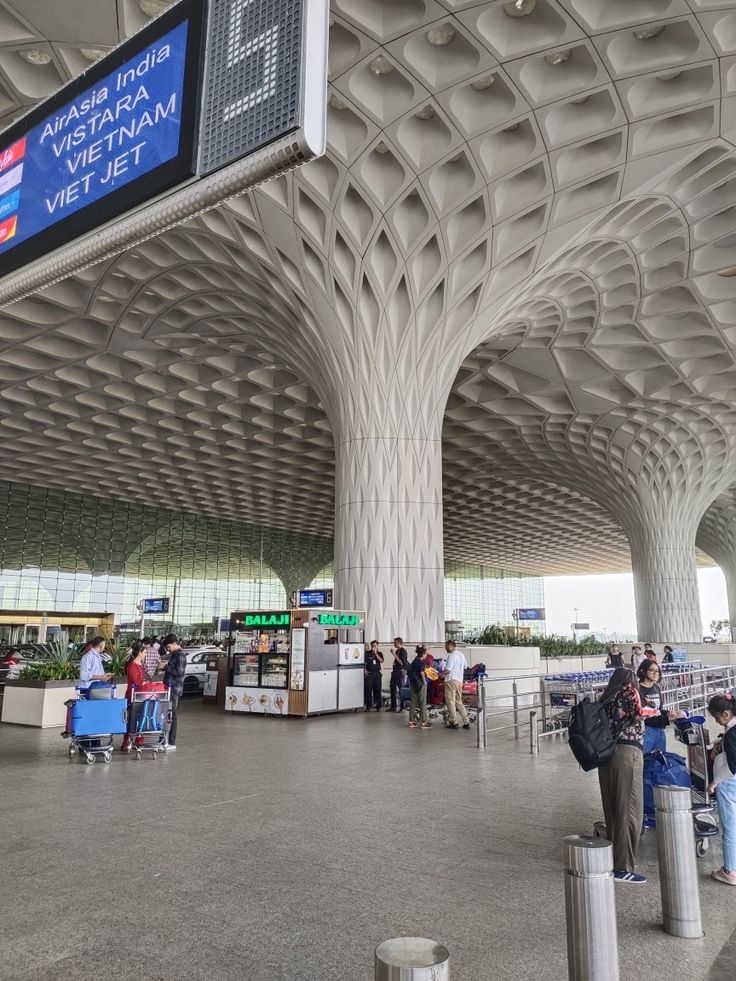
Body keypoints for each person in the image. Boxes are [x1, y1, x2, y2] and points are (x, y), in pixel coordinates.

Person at [597, 667, 646, 883]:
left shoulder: (606, 696)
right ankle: (622, 867)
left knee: (614, 811)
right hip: (627, 754)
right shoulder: (628, 691)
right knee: (630, 810)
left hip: (607, 756)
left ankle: (614, 858)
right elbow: (637, 714)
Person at [708, 694, 736, 885]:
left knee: (730, 827)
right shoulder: (731, 731)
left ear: (726, 713)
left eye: (717, 717)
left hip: (729, 784)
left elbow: (731, 767)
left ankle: (729, 870)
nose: (717, 721)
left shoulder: (731, 735)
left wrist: (715, 782)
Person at [636, 659, 683, 754]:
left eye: (657, 671)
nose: (655, 673)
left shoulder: (656, 687)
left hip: (660, 730)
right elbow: (644, 717)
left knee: (659, 762)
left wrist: (669, 713)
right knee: (644, 763)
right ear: (643, 671)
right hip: (645, 732)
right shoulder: (637, 690)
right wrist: (667, 719)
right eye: (652, 670)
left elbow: (658, 710)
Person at [162, 633, 187, 751]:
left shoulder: (181, 655)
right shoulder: (175, 654)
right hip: (169, 688)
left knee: (173, 714)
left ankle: (172, 742)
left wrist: (166, 667)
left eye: (168, 647)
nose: (168, 649)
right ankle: (165, 739)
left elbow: (179, 673)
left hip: (174, 689)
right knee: (168, 713)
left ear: (174, 643)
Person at [121, 641, 146, 751]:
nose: (145, 655)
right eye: (144, 652)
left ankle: (139, 741)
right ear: (140, 652)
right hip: (132, 695)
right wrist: (145, 684)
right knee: (130, 718)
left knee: (142, 717)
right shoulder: (132, 665)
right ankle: (126, 742)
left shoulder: (141, 665)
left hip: (141, 695)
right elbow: (136, 681)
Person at [442, 640, 470, 730]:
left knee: (450, 702)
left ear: (450, 646)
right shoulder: (461, 655)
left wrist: (440, 674)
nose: (445, 648)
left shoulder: (451, 655)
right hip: (459, 681)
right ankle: (466, 722)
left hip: (451, 680)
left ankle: (454, 722)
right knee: (459, 701)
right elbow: (465, 666)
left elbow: (448, 670)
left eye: (446, 646)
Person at [408, 646, 431, 729]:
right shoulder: (421, 662)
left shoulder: (414, 661)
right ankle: (424, 722)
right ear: (423, 654)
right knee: (422, 703)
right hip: (420, 684)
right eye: (426, 654)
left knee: (413, 702)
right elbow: (421, 672)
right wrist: (424, 681)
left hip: (413, 684)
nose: (426, 656)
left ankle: (411, 722)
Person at [389, 637, 409, 712]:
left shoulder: (403, 651)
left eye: (395, 643)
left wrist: (394, 655)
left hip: (400, 672)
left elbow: (401, 662)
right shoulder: (397, 651)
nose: (394, 644)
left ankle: (402, 706)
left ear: (399, 643)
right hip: (394, 671)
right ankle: (393, 706)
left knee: (401, 689)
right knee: (392, 688)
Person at [364, 640, 384, 711]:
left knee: (377, 689)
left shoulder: (380, 653)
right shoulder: (367, 654)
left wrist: (376, 654)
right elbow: (364, 664)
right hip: (370, 674)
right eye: (372, 646)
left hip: (377, 673)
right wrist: (365, 670)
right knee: (368, 689)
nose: (373, 647)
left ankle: (378, 706)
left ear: (377, 646)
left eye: (375, 646)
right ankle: (368, 706)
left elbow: (381, 661)